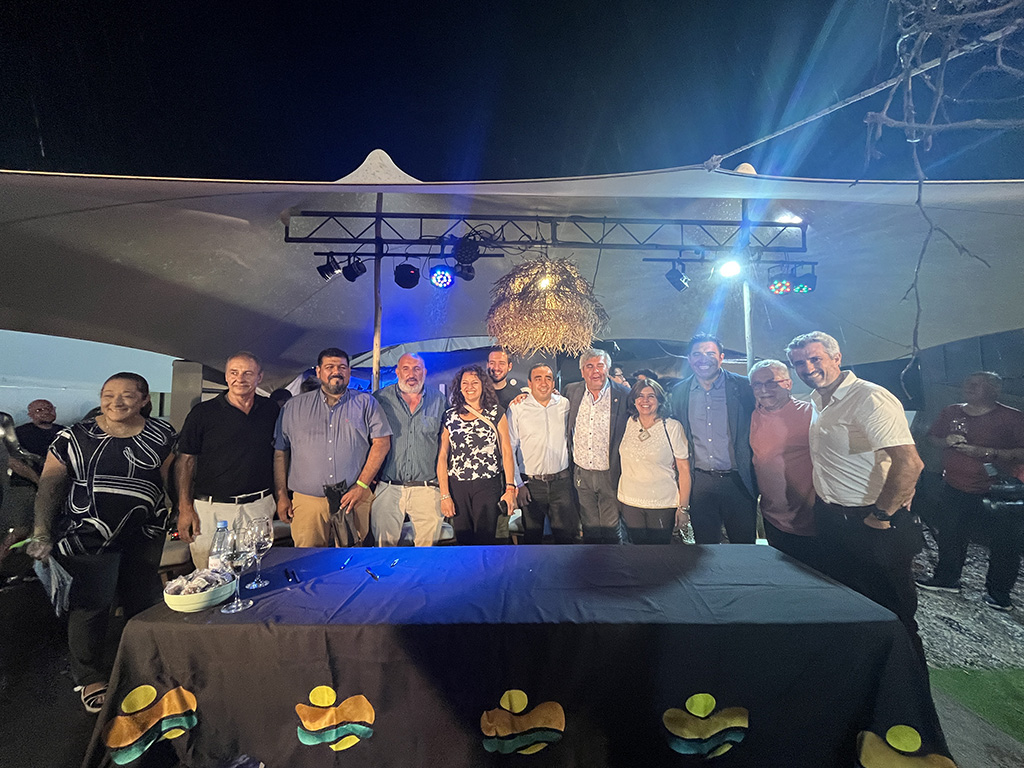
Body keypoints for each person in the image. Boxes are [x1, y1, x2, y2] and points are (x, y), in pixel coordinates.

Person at [26, 373, 175, 713]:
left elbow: (170, 478)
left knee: (144, 601)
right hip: (87, 535)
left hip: (144, 533)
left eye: (127, 395)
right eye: (108, 394)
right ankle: (90, 676)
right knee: (92, 605)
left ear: (144, 400)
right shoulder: (73, 436)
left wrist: (181, 510)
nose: (116, 401)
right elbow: (50, 484)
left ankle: (146, 665)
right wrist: (41, 530)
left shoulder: (162, 433)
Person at [786, 331, 927, 663]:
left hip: (871, 521)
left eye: (815, 358)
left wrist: (882, 515)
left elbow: (910, 462)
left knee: (894, 614)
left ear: (837, 358)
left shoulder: (869, 397)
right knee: (849, 602)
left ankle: (906, 683)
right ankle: (859, 670)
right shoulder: (818, 400)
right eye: (799, 363)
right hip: (834, 518)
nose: (807, 368)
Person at [917, 371, 1024, 611]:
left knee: (1004, 544)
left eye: (977, 385)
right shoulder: (951, 411)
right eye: (967, 383)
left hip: (997, 491)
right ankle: (947, 579)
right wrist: (946, 441)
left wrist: (988, 453)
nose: (969, 387)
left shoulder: (1012, 417)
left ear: (994, 390)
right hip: (955, 485)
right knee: (950, 535)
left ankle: (999, 594)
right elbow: (933, 438)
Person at [274, 348, 391, 547]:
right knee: (308, 559)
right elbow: (280, 452)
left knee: (351, 560)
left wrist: (361, 486)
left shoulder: (366, 403)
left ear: (349, 372)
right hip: (308, 503)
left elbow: (382, 443)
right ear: (318, 372)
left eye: (342, 367)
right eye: (330, 367)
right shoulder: (293, 407)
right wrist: (282, 495)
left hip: (353, 498)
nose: (336, 371)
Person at [175, 352, 280, 568]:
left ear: (259, 377)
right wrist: (184, 508)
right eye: (234, 372)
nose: (240, 378)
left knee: (254, 572)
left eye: (247, 373)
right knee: (210, 574)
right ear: (226, 376)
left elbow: (279, 455)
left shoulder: (271, 410)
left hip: (258, 506)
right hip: (211, 509)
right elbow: (185, 461)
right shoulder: (202, 413)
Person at [668, 332, 757, 544]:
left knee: (744, 546)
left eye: (710, 353)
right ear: (689, 359)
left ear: (721, 357)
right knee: (705, 548)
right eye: (697, 354)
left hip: (738, 481)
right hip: (700, 482)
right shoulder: (680, 391)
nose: (703, 359)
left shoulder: (743, 387)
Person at [748, 360, 818, 568]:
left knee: (814, 575)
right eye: (757, 385)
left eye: (771, 383)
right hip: (772, 518)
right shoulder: (754, 414)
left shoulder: (810, 414)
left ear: (788, 384)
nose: (764, 390)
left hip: (810, 519)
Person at [371, 353, 446, 546]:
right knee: (383, 550)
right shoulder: (380, 399)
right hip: (388, 487)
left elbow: (446, 445)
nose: (411, 374)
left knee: (427, 552)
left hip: (427, 489)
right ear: (397, 372)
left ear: (425, 372)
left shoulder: (439, 400)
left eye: (417, 368)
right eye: (406, 368)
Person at [437, 365, 517, 545]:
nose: (469, 387)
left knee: (486, 538)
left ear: (483, 386)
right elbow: (442, 456)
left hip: (488, 484)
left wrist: (510, 488)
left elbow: (506, 451)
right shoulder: (449, 416)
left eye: (474, 382)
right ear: (459, 387)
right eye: (465, 383)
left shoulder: (496, 412)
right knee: (463, 540)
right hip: (458, 486)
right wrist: (444, 495)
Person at [566, 349, 631, 544]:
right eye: (589, 366)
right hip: (581, 474)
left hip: (611, 473)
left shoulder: (623, 394)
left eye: (600, 366)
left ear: (607, 368)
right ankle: (593, 562)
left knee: (612, 529)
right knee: (590, 528)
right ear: (582, 372)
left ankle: (614, 563)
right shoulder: (571, 391)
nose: (595, 371)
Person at [507, 363, 577, 544]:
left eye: (548, 378)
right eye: (538, 379)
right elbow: (509, 449)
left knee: (565, 538)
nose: (544, 383)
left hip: (561, 483)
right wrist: (518, 485)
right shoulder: (517, 408)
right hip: (531, 486)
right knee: (532, 539)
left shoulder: (565, 404)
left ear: (553, 382)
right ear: (529, 383)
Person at [617, 379, 690, 544]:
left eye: (651, 396)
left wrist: (684, 508)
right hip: (629, 501)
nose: (645, 400)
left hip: (662, 503)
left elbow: (684, 470)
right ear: (634, 400)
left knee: (659, 552)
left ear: (660, 400)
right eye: (640, 396)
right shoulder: (628, 423)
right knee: (637, 550)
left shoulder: (672, 427)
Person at [487, 347, 520, 412]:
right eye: (492, 363)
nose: (496, 368)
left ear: (509, 366)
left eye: (501, 363)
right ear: (487, 365)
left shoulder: (517, 396)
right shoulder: (478, 393)